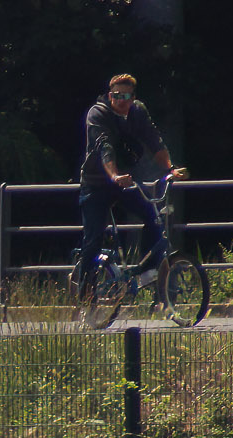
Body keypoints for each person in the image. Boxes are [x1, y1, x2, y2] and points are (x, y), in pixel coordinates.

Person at [75, 74, 185, 300]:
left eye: (125, 96)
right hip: (96, 183)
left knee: (152, 217)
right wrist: (114, 175)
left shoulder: (138, 112)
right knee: (94, 237)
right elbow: (104, 147)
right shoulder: (98, 114)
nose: (120, 101)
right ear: (109, 95)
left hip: (124, 181)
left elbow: (154, 140)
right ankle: (85, 293)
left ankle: (147, 271)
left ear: (133, 98)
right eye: (116, 96)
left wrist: (170, 169)